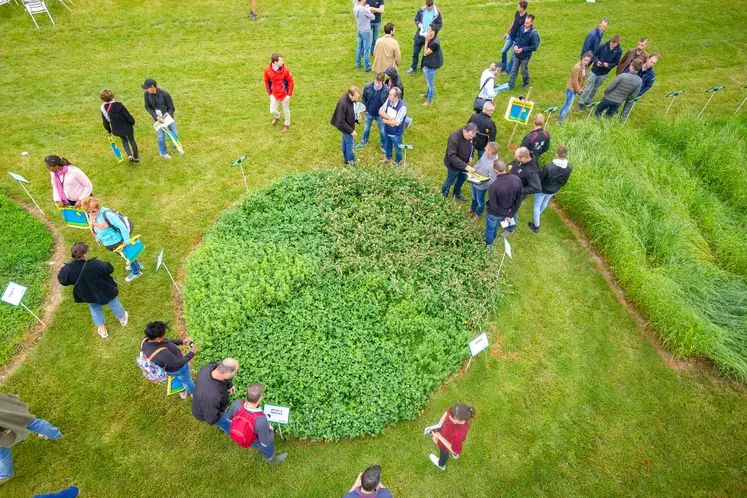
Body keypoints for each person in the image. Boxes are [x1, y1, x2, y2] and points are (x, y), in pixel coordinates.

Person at [57, 242, 128, 339]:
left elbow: (63, 281)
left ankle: (102, 330)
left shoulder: (67, 270)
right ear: (85, 254)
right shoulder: (96, 264)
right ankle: (122, 319)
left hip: (88, 294)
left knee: (95, 309)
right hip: (106, 290)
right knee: (114, 303)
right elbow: (109, 268)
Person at [0, 394, 63, 485]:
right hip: (8, 409)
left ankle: (6, 474)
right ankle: (57, 435)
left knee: (2, 452)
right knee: (31, 422)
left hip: (4, 419)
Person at [80, 196, 143, 282]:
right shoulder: (92, 214)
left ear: (98, 207)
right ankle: (136, 265)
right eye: (88, 211)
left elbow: (122, 227)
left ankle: (136, 272)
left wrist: (127, 241)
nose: (91, 213)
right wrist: (97, 237)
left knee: (128, 255)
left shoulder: (109, 215)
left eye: (93, 211)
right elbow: (96, 227)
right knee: (125, 255)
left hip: (117, 241)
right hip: (109, 242)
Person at [226, 383, 288, 466]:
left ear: (246, 394)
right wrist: (271, 431)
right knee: (266, 446)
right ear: (260, 398)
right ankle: (272, 460)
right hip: (255, 438)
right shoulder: (261, 420)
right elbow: (265, 442)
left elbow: (229, 419)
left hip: (244, 433)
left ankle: (256, 446)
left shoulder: (237, 403)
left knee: (254, 443)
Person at [141, 321, 198, 399]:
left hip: (169, 369)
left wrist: (182, 341)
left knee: (179, 378)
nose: (165, 335)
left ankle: (182, 391)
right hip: (178, 369)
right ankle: (193, 393)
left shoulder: (146, 340)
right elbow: (178, 363)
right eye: (164, 334)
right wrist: (192, 353)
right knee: (186, 380)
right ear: (158, 338)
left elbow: (166, 341)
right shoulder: (162, 353)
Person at [529, 144, 572, 233]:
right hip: (554, 189)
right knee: (545, 202)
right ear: (565, 154)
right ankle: (538, 215)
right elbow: (564, 181)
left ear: (556, 153)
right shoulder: (569, 167)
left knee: (537, 205)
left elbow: (540, 179)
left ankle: (536, 226)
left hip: (543, 189)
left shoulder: (549, 167)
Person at [192, 358, 239, 435]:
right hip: (209, 412)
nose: (235, 374)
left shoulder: (210, 368)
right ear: (228, 374)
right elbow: (211, 418)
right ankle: (232, 432)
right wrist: (220, 418)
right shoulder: (212, 396)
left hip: (211, 405)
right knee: (227, 423)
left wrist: (229, 384)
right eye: (234, 372)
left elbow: (222, 374)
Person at [578, 34, 622, 110]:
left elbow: (616, 62)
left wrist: (608, 65)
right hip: (595, 71)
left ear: (617, 43)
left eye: (614, 44)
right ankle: (581, 102)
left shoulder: (619, 51)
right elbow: (594, 55)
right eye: (611, 43)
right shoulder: (603, 46)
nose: (612, 45)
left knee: (595, 88)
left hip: (604, 73)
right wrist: (597, 61)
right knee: (588, 87)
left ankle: (588, 101)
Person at [485, 160, 522, 248]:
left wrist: (505, 213)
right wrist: (510, 214)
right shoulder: (517, 179)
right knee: (493, 228)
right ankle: (491, 238)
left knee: (490, 230)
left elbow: (493, 205)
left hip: (495, 214)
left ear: (495, 170)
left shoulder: (494, 186)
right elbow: (519, 198)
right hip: (508, 212)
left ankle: (489, 244)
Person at [142, 78, 182, 159]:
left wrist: (166, 118)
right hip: (158, 120)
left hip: (168, 119)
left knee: (175, 134)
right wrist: (156, 117)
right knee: (161, 137)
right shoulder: (146, 94)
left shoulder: (165, 94)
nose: (146, 89)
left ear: (153, 87)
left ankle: (176, 147)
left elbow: (171, 108)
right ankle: (163, 152)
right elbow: (147, 106)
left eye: (147, 87)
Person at [428, 403, 476, 471]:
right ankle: (455, 456)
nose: (449, 416)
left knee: (444, 453)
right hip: (450, 438)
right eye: (450, 414)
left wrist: (439, 436)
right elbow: (447, 413)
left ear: (461, 421)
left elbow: (456, 450)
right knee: (455, 446)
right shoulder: (458, 413)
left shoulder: (458, 434)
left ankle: (441, 465)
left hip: (446, 442)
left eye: (452, 418)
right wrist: (438, 426)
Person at [498, 14, 539, 91]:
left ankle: (526, 82)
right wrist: (516, 45)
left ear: (532, 23)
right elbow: (517, 38)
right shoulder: (522, 28)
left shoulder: (533, 33)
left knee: (523, 71)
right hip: (517, 54)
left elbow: (534, 47)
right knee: (514, 70)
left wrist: (522, 49)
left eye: (527, 23)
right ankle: (511, 84)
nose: (525, 24)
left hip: (525, 56)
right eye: (525, 22)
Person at [506, 146, 541, 235]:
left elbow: (537, 188)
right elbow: (515, 162)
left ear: (524, 157)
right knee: (507, 207)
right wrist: (511, 163)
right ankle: (505, 221)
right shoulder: (523, 158)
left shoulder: (531, 171)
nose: (516, 158)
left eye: (517, 157)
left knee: (513, 210)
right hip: (510, 188)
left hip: (517, 194)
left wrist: (520, 190)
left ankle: (511, 228)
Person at [99, 89, 139, 163]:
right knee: (132, 140)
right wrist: (132, 122)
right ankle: (136, 157)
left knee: (124, 140)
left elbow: (105, 121)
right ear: (113, 96)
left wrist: (109, 130)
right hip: (127, 126)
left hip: (116, 127)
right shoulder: (119, 105)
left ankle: (129, 155)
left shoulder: (102, 108)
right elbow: (127, 115)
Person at [442, 123, 477, 200]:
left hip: (465, 164)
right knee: (450, 181)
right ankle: (443, 196)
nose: (471, 138)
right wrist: (466, 166)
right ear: (465, 130)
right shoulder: (454, 137)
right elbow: (452, 156)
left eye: (473, 136)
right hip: (453, 165)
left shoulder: (472, 135)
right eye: (470, 136)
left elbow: (473, 147)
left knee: (461, 179)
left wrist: (471, 156)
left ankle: (456, 193)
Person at [620, 53, 659, 119]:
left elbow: (648, 86)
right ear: (648, 59)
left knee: (625, 111)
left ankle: (620, 124)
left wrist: (639, 94)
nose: (651, 64)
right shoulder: (637, 64)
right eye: (651, 61)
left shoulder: (651, 74)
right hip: (625, 89)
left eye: (653, 63)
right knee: (616, 104)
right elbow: (625, 73)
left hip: (634, 94)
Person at [408, 0, 442, 73]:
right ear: (425, 4)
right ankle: (413, 67)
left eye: (429, 8)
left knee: (426, 54)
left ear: (432, 5)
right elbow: (416, 19)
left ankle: (423, 67)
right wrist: (419, 24)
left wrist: (433, 32)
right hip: (420, 35)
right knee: (415, 52)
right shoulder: (421, 10)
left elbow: (439, 24)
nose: (428, 8)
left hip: (430, 37)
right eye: (427, 7)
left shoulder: (437, 13)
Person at [558, 51, 593, 124]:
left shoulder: (585, 66)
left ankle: (559, 119)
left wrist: (581, 87)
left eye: (588, 61)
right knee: (567, 107)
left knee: (566, 105)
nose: (586, 62)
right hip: (571, 89)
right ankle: (560, 122)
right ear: (582, 58)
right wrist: (579, 91)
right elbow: (574, 81)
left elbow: (583, 78)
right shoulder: (577, 67)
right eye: (585, 60)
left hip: (576, 88)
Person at [357, 72, 389, 150]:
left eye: (379, 82)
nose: (377, 84)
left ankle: (384, 145)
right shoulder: (368, 86)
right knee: (366, 128)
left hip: (380, 115)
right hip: (369, 113)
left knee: (382, 131)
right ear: (374, 79)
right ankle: (364, 141)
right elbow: (364, 98)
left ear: (382, 81)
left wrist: (384, 113)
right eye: (376, 82)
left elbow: (388, 103)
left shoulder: (386, 90)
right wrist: (365, 109)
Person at [263, 53, 294, 133]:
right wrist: (270, 94)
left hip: (284, 94)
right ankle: (277, 116)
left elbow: (291, 82)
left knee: (286, 110)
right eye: (280, 60)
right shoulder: (267, 70)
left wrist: (289, 94)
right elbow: (266, 82)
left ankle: (287, 124)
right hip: (274, 94)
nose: (282, 62)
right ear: (275, 62)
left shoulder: (286, 70)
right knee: (272, 110)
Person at [331, 86, 361, 165]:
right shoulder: (343, 104)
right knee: (350, 146)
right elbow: (341, 122)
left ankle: (346, 160)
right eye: (356, 97)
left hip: (347, 126)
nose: (357, 99)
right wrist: (351, 131)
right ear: (350, 95)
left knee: (345, 142)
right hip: (346, 127)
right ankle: (352, 163)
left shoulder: (350, 98)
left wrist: (356, 116)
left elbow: (352, 109)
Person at [469, 141, 499, 220]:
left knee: (480, 201)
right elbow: (479, 162)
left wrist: (481, 181)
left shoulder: (494, 164)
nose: (484, 148)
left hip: (482, 186)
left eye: (487, 148)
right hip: (475, 179)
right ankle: (473, 208)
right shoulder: (485, 154)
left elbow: (492, 180)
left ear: (491, 152)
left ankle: (478, 214)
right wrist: (474, 168)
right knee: (473, 197)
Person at [379, 87, 407, 165]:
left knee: (398, 148)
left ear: (396, 97)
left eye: (390, 95)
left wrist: (385, 121)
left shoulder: (402, 107)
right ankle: (388, 158)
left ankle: (398, 162)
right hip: (387, 129)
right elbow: (381, 111)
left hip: (396, 133)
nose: (388, 96)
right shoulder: (388, 100)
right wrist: (390, 118)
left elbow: (397, 122)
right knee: (387, 145)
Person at [499, 2, 528, 75]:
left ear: (522, 8)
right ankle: (503, 65)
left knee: (512, 56)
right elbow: (513, 22)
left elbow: (524, 31)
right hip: (510, 36)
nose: (517, 7)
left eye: (518, 6)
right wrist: (507, 32)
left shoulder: (526, 18)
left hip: (517, 40)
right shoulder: (517, 13)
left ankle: (507, 70)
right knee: (503, 51)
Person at [420, 25, 443, 106]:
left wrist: (426, 41)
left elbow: (425, 53)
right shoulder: (432, 39)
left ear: (433, 32)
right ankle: (427, 93)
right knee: (428, 80)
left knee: (430, 84)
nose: (427, 30)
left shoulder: (434, 43)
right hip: (429, 63)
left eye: (429, 29)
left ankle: (429, 101)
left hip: (431, 65)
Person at [354, 0, 375, 72]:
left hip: (359, 29)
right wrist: (368, 10)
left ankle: (358, 64)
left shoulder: (355, 7)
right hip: (366, 31)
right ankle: (368, 67)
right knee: (367, 49)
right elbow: (373, 17)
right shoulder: (364, 10)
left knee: (359, 47)